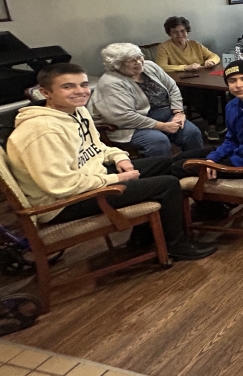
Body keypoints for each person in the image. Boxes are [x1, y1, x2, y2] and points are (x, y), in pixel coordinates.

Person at [6, 63, 215, 260]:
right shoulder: (41, 131)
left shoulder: (76, 111)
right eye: (68, 87)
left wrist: (119, 157)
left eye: (84, 85)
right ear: (45, 92)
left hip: (90, 177)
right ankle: (177, 245)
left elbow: (98, 147)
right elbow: (60, 186)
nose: (80, 91)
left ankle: (145, 235)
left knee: (164, 163)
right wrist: (117, 178)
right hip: (62, 203)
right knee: (167, 185)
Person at [90, 43, 204, 158]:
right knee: (159, 141)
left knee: (192, 133)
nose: (138, 62)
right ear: (117, 64)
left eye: (139, 57)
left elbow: (172, 87)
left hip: (167, 116)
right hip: (130, 127)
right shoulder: (110, 82)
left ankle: (194, 168)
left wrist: (179, 112)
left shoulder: (150, 66)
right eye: (131, 60)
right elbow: (124, 117)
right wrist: (161, 126)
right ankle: (163, 173)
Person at [155, 16, 220, 138]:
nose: (179, 34)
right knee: (197, 94)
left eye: (182, 31)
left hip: (201, 79)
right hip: (180, 84)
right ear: (169, 33)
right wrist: (185, 67)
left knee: (211, 92)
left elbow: (214, 56)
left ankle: (212, 125)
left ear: (187, 31)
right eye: (175, 32)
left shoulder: (195, 44)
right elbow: (161, 67)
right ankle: (212, 124)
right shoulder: (163, 47)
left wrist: (211, 61)